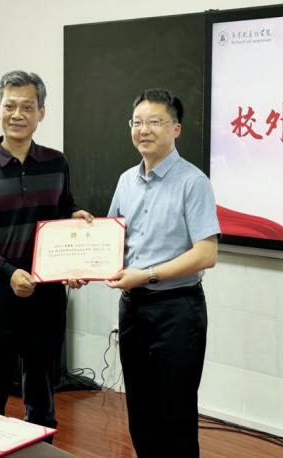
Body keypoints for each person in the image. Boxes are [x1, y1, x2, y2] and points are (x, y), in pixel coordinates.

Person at [0, 70, 92, 431]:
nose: (17, 114)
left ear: (41, 112)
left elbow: (64, 210)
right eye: (10, 106)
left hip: (46, 296)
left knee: (43, 402)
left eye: (27, 107)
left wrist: (75, 219)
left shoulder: (56, 162)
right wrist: (9, 272)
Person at [106, 88, 220, 457]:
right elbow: (110, 242)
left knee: (176, 414)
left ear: (176, 129)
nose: (144, 130)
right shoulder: (126, 180)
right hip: (132, 309)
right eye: (137, 122)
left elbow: (206, 254)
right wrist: (81, 267)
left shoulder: (193, 182)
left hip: (177, 310)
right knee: (140, 412)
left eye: (155, 122)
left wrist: (147, 274)